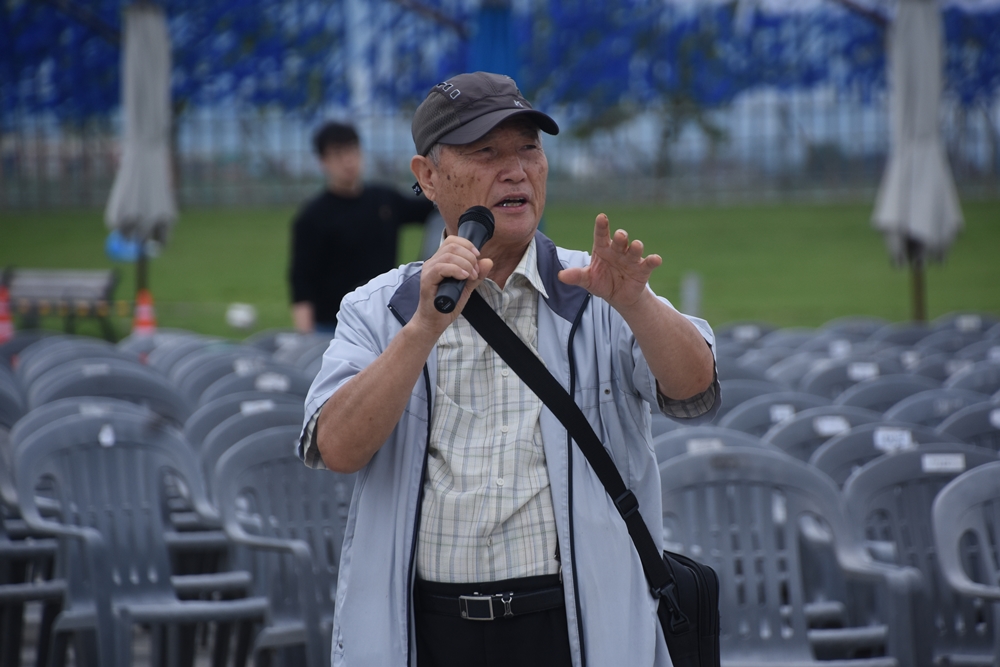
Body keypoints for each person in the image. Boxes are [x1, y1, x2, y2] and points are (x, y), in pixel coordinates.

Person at [297, 72, 720, 667]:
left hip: (572, 627)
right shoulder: (381, 307)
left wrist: (637, 304)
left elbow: (694, 386)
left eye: (528, 148)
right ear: (427, 176)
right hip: (429, 629)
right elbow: (337, 448)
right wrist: (421, 329)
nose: (516, 169)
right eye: (485, 152)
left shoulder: (596, 286)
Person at [288, 121, 436, 333]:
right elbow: (301, 282)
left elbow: (430, 209)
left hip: (385, 318)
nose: (348, 161)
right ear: (323, 161)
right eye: (338, 154)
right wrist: (307, 337)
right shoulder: (312, 216)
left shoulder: (384, 199)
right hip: (334, 325)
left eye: (352, 151)